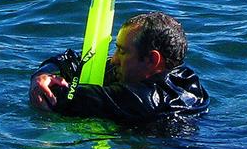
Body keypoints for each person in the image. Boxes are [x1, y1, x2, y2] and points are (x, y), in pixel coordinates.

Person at [28, 12, 209, 125]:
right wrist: (45, 73)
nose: (113, 59)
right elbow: (75, 61)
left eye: (122, 51)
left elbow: (63, 99)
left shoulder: (145, 100)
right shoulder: (185, 79)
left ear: (153, 59)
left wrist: (45, 85)